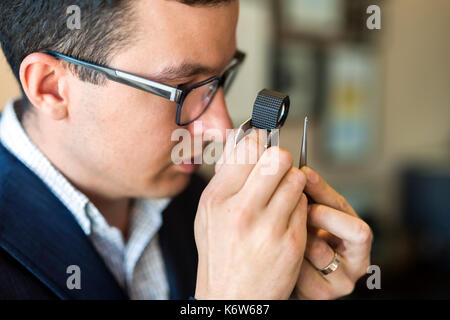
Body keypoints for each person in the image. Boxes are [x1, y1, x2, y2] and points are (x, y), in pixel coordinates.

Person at [0, 0, 372, 299]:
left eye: (220, 78)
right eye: (181, 88)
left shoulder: (209, 204)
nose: (222, 127)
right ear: (51, 87)